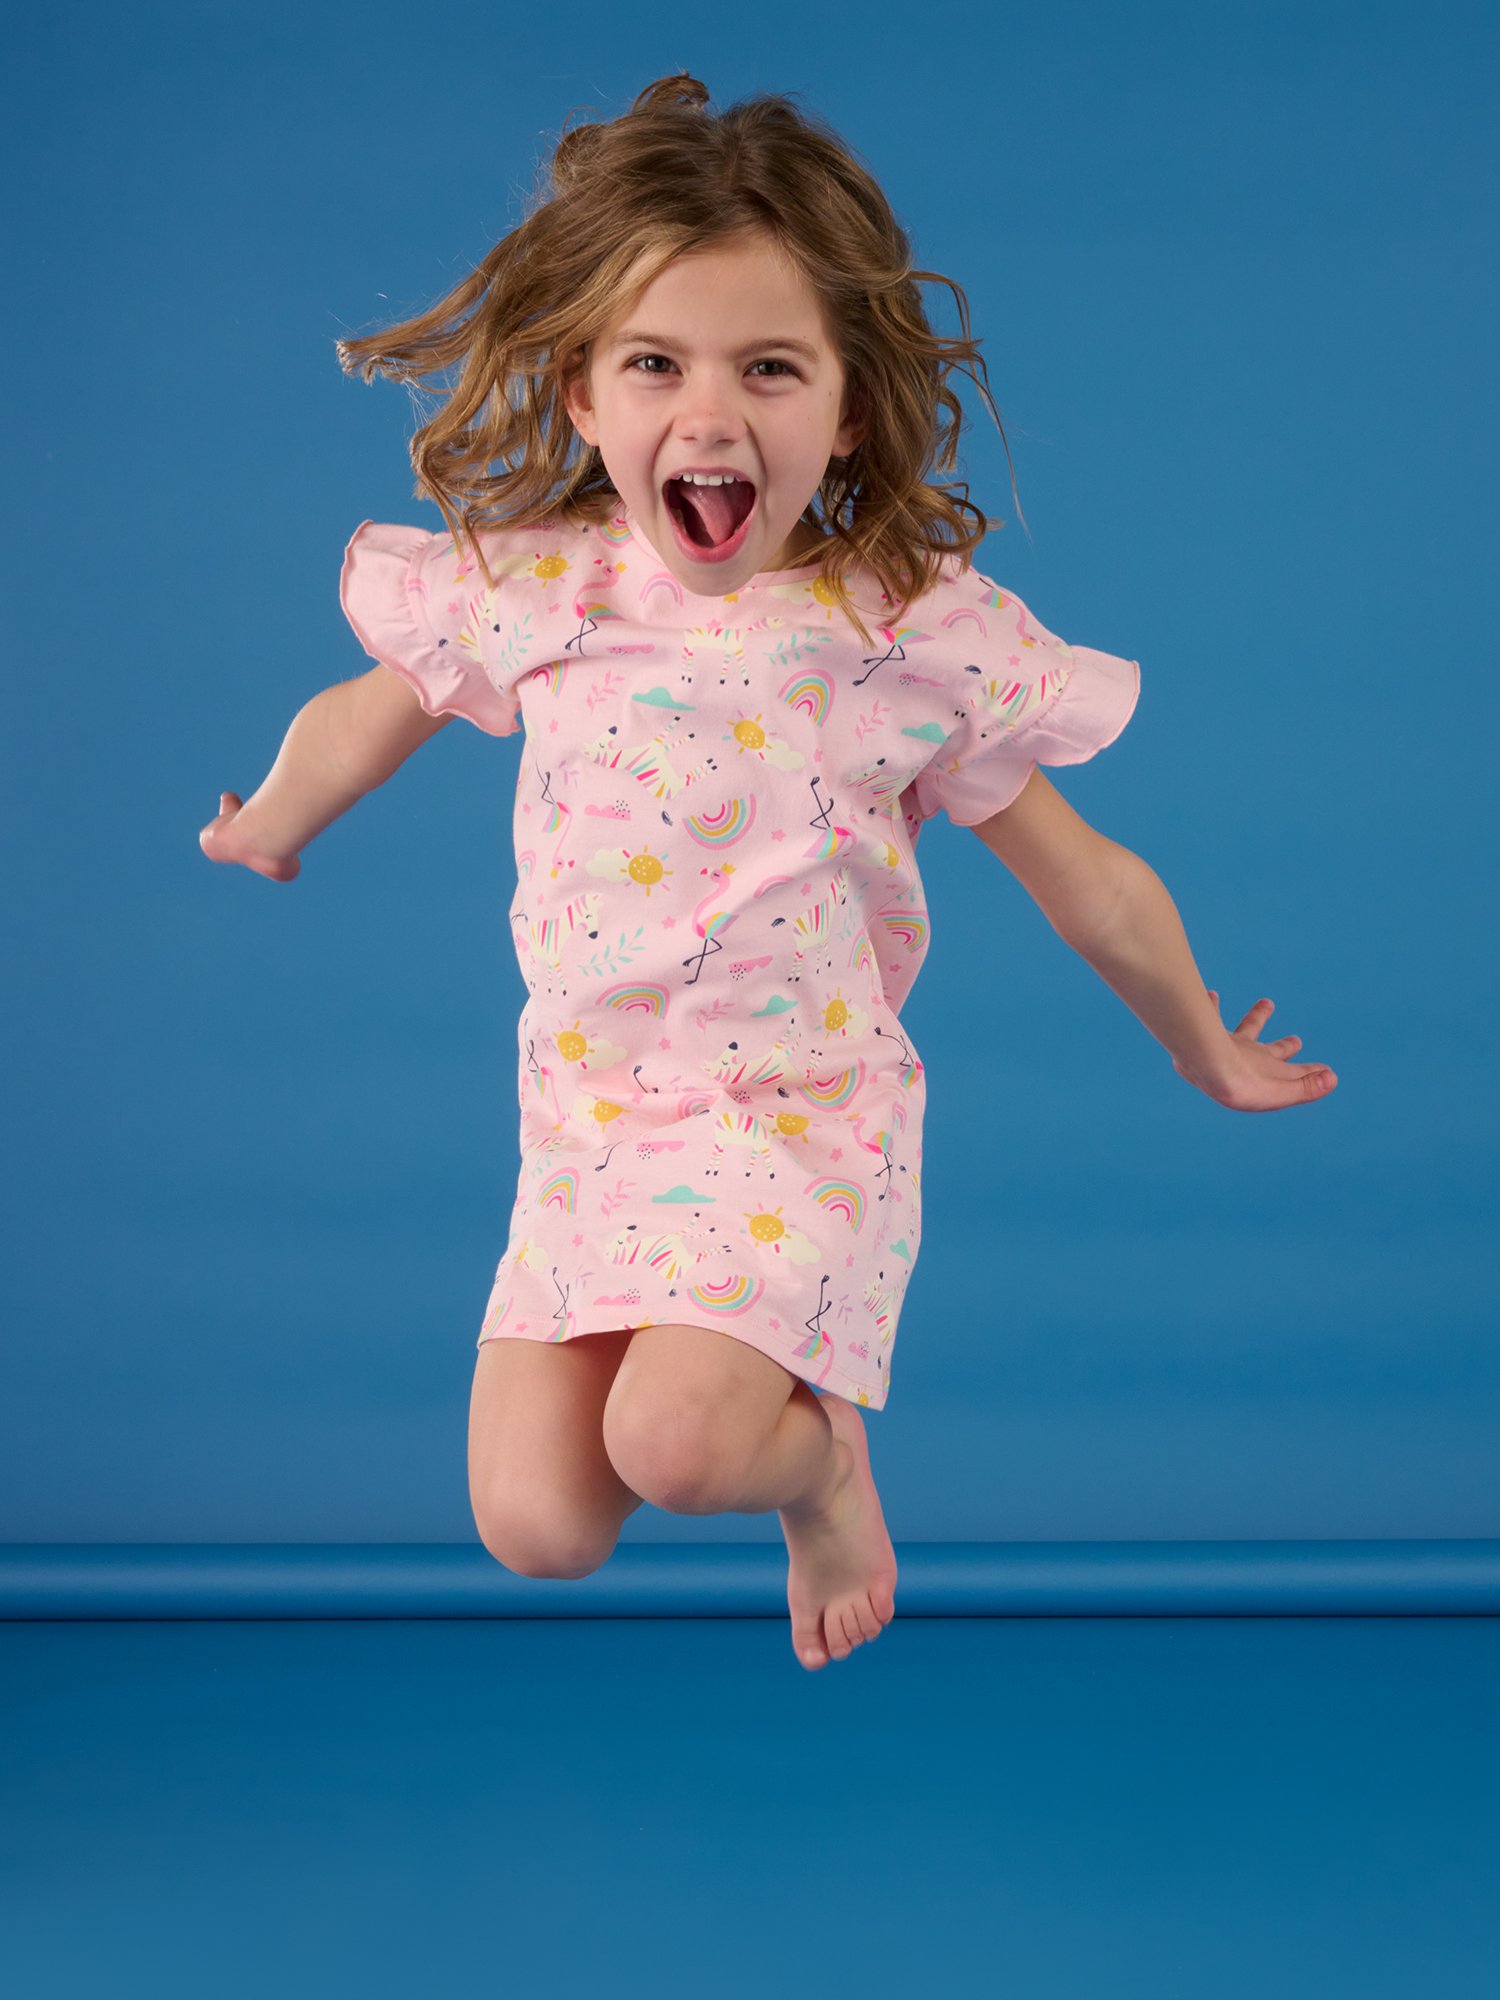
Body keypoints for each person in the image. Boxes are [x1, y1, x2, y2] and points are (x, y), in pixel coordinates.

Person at [198, 72, 1338, 1673]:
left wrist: (1201, 1042)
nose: (711, 414)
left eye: (770, 368)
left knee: (675, 1443)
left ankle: (822, 1475)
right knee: (537, 1523)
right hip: (592, 1114)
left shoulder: (897, 631)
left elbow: (1089, 881)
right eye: (657, 364)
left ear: (849, 409)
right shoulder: (543, 591)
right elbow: (360, 721)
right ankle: (757, 1436)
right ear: (584, 396)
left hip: (792, 1117)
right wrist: (272, 821)